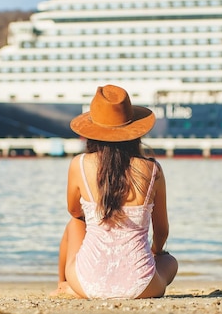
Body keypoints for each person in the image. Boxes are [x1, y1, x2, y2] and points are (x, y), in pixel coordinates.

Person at [51, 84, 178, 299]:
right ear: (135, 132)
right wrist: (155, 252)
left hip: (87, 282)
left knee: (75, 223)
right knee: (169, 262)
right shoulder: (152, 169)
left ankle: (63, 285)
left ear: (92, 132)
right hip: (142, 287)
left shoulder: (80, 164)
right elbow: (162, 231)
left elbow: (74, 211)